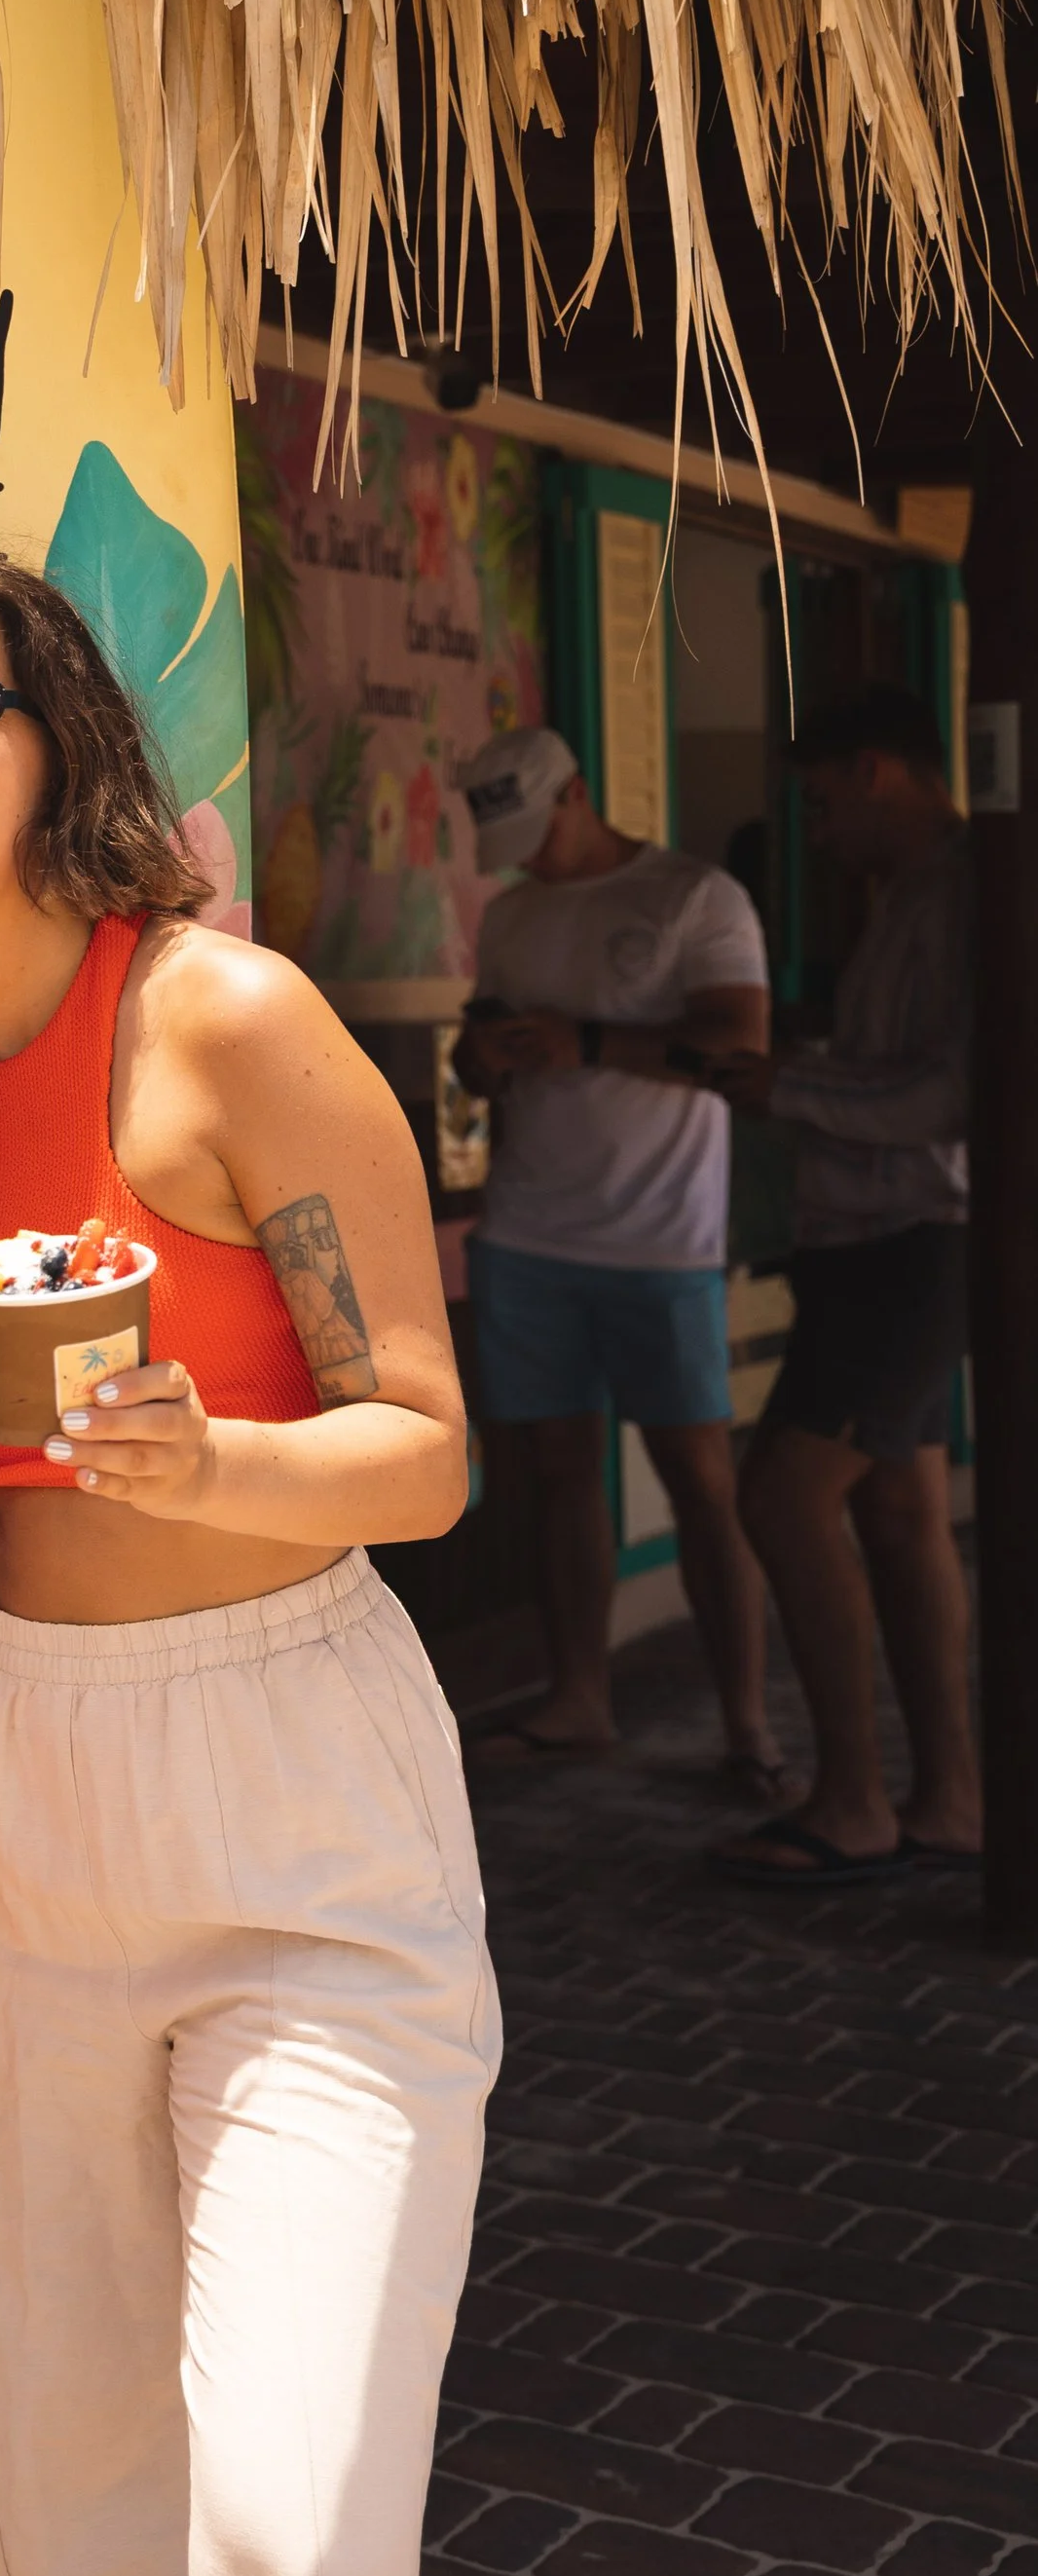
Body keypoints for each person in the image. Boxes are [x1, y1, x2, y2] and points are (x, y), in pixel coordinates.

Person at [0, 548, 496, 2576]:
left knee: (291, 2517)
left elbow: (428, 1448)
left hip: (293, 1802)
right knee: (70, 2502)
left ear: (54, 738)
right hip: (19, 1786)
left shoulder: (222, 1017)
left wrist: (215, 1473)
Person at [451, 728, 782, 1790]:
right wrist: (485, 1053)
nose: (523, 858)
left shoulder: (697, 898)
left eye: (532, 830)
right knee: (554, 1474)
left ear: (579, 794)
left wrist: (586, 1043)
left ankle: (747, 1727)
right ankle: (578, 1697)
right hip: (528, 1233)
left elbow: (741, 1048)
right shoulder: (510, 915)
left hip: (663, 1239)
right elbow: (477, 1043)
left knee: (700, 1479)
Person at [702, 685, 978, 1886]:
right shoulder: (917, 896)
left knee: (779, 1496)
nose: (815, 834)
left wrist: (784, 1088)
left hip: (909, 1241)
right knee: (899, 1511)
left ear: (876, 772)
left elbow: (942, 1101)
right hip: (888, 1240)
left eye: (819, 803)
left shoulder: (961, 888)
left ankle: (853, 1797)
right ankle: (950, 1796)